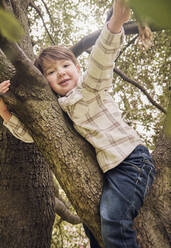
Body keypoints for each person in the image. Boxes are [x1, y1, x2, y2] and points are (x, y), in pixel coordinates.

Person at [0, 1, 155, 247]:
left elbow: (101, 58)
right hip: (110, 171)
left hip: (130, 162)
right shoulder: (60, 110)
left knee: (114, 220)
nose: (60, 73)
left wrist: (115, 23)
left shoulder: (90, 86)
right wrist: (4, 111)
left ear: (78, 68)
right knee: (93, 227)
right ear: (45, 82)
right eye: (50, 72)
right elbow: (34, 134)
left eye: (65, 66)